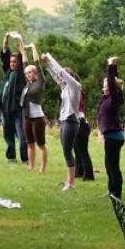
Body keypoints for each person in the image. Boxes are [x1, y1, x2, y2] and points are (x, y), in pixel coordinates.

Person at [43, 52, 82, 191]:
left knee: (67, 151)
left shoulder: (74, 86)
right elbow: (56, 75)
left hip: (71, 121)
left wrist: (51, 58)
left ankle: (71, 184)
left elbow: (60, 71)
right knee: (66, 151)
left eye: (63, 77)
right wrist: (47, 65)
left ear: (69, 76)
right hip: (65, 120)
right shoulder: (65, 87)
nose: (61, 79)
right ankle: (69, 181)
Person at [0, 32, 28, 163]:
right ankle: (11, 157)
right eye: (11, 61)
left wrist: (20, 40)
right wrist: (6, 38)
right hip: (6, 109)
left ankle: (25, 158)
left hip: (18, 109)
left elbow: (25, 57)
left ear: (19, 63)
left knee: (22, 135)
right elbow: (4, 54)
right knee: (8, 134)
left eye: (15, 62)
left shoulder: (23, 74)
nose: (12, 63)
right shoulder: (8, 72)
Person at [97, 56, 125, 199]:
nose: (104, 86)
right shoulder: (106, 98)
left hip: (114, 136)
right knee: (108, 165)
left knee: (113, 166)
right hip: (110, 136)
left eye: (106, 84)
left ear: (110, 86)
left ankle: (117, 193)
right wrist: (114, 67)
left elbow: (112, 82)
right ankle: (111, 191)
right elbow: (114, 80)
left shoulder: (115, 98)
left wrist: (110, 65)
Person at [21, 43, 48, 173]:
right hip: (27, 117)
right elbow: (24, 62)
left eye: (30, 72)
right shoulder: (28, 84)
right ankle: (31, 166)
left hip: (38, 118)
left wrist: (32, 48)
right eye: (26, 73)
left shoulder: (40, 81)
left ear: (35, 73)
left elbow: (36, 63)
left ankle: (42, 168)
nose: (27, 74)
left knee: (41, 144)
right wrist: (22, 45)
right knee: (29, 143)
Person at [74, 87, 96, 182]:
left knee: (82, 151)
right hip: (77, 123)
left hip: (81, 124)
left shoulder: (76, 91)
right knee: (77, 151)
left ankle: (89, 174)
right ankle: (79, 171)